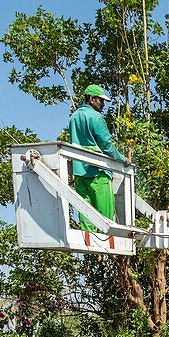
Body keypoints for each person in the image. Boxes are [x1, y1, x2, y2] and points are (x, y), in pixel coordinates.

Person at [68, 84, 127, 231]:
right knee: (105, 216)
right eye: (101, 101)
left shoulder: (74, 117)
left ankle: (89, 243)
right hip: (98, 172)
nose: (103, 104)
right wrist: (123, 159)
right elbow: (107, 146)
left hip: (79, 172)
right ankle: (107, 243)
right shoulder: (96, 117)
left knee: (86, 212)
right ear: (92, 99)